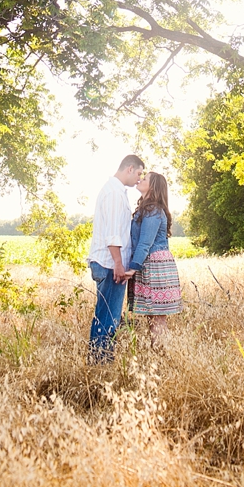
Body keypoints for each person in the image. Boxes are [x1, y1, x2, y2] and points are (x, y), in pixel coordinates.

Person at [87, 153, 145, 362]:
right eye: (138, 173)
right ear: (129, 168)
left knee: (105, 316)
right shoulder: (113, 193)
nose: (139, 178)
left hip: (110, 263)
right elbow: (113, 233)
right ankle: (100, 364)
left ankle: (98, 363)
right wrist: (119, 264)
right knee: (108, 320)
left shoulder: (116, 191)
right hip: (110, 264)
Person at [126, 171, 183, 346]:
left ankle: (163, 355)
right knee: (153, 316)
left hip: (154, 265)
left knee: (157, 317)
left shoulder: (153, 210)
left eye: (145, 178)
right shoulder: (147, 209)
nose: (140, 179)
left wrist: (133, 268)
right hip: (150, 264)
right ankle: (159, 355)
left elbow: (145, 243)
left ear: (153, 186)